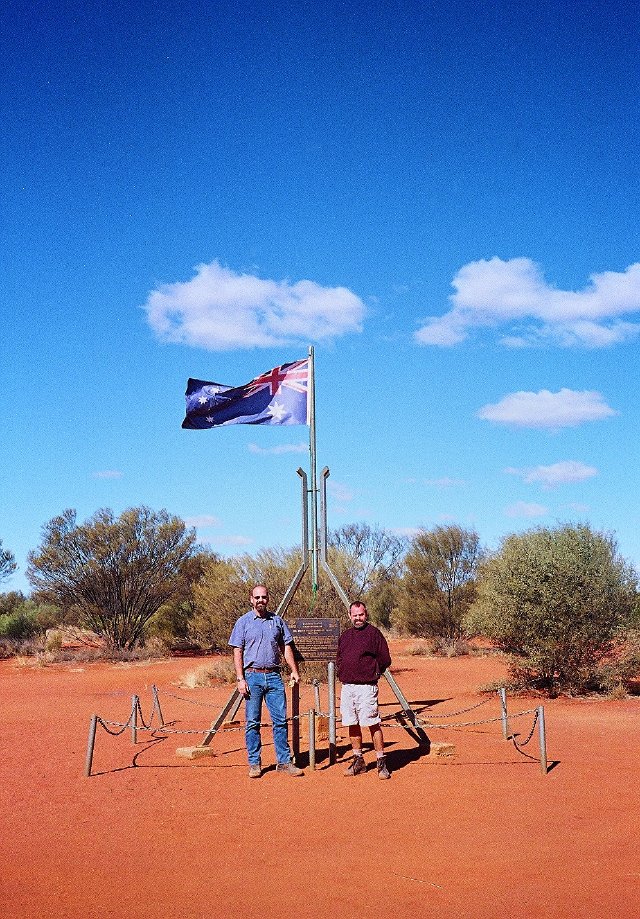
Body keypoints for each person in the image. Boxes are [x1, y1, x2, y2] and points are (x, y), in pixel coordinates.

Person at [229, 585, 304, 778]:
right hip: (252, 676)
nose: (260, 600)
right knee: (252, 722)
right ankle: (255, 763)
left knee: (280, 721)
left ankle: (284, 762)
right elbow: (237, 650)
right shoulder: (243, 622)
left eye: (264, 597)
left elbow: (286, 647)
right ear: (251, 599)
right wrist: (240, 678)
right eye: (257, 597)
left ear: (268, 599)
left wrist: (294, 670)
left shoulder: (277, 622)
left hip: (274, 677)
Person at [336, 600, 392, 779]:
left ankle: (381, 762)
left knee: (372, 723)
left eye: (361, 615)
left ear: (366, 615)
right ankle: (358, 761)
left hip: (367, 687)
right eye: (355, 615)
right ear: (349, 616)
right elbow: (339, 658)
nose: (358, 618)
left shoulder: (374, 634)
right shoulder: (345, 636)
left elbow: (384, 659)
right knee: (352, 723)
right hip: (348, 687)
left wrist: (374, 672)